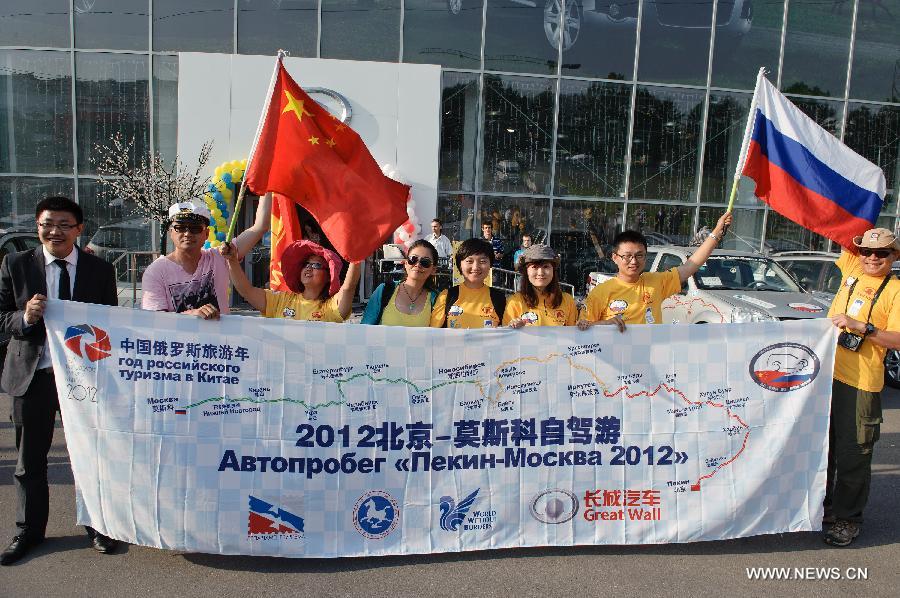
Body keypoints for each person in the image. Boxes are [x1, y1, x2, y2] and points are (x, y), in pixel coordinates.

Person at [0, 196, 119, 565]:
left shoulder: (100, 270)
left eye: (65, 224)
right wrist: (25, 317)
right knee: (29, 461)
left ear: (79, 229)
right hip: (32, 376)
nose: (55, 231)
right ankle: (29, 530)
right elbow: (1, 319)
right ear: (38, 227)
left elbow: (111, 324)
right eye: (47, 224)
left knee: (89, 455)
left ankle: (98, 524)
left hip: (83, 379)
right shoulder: (16, 264)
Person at [822, 228, 900, 547]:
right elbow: (839, 227)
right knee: (822, 450)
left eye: (881, 253)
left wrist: (863, 328)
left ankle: (847, 519)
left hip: (860, 385)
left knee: (853, 454)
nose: (871, 257)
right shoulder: (854, 268)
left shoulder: (895, 290)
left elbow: (897, 339)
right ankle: (822, 509)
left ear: (894, 256)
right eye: (866, 251)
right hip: (824, 378)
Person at [579, 212, 732, 328]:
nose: (633, 261)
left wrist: (716, 233)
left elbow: (692, 264)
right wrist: (605, 325)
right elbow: (582, 328)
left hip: (649, 361)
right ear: (615, 257)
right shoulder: (600, 293)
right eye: (627, 256)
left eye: (639, 255)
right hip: (615, 363)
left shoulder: (656, 282)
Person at [141, 194, 271, 318]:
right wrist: (191, 315)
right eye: (180, 228)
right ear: (171, 233)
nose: (187, 234)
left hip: (220, 340)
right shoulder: (156, 271)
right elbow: (154, 321)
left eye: (195, 228)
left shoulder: (221, 256)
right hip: (178, 341)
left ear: (207, 234)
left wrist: (268, 182)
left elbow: (260, 227)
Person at [222, 239, 360, 322]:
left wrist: (358, 256)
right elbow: (247, 291)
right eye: (306, 264)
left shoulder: (329, 308)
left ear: (328, 276)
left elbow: (348, 288)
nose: (309, 268)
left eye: (316, 265)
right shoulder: (280, 300)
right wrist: (232, 260)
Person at [504, 244, 610, 331]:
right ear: (526, 271)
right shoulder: (515, 302)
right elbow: (506, 342)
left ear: (553, 271)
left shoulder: (567, 300)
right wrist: (511, 327)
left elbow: (574, 340)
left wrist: (583, 326)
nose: (540, 273)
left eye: (546, 266)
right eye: (534, 267)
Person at [431, 238, 506, 329]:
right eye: (469, 261)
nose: (475, 267)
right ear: (460, 265)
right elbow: (433, 335)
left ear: (490, 265)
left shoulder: (499, 298)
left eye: (482, 261)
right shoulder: (446, 296)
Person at [361, 240, 439, 326]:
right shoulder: (384, 290)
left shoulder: (436, 299)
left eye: (425, 262)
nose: (418, 264)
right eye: (413, 259)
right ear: (406, 263)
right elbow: (365, 329)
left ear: (433, 270)